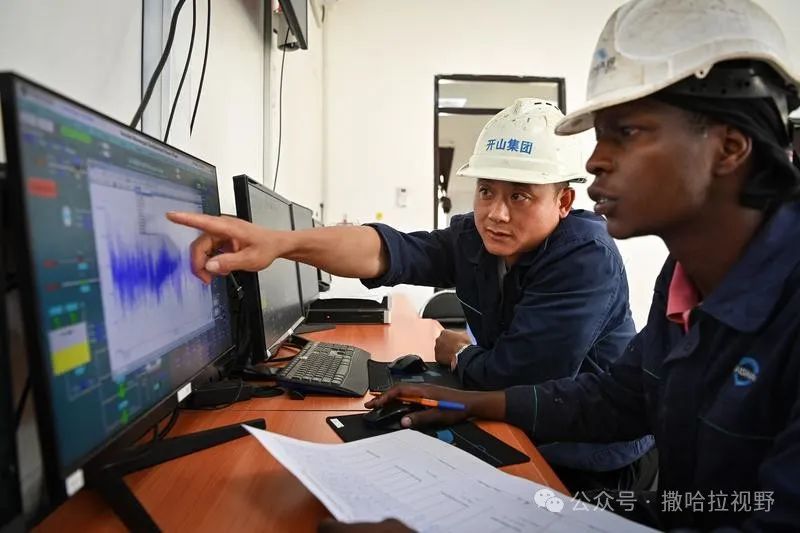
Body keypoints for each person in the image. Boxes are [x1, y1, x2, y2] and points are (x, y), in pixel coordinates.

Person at [366, 0, 800, 529]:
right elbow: (619, 399)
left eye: (628, 132)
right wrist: (469, 404)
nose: (594, 161)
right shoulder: (686, 277)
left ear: (729, 147)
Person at [167, 99, 653, 490]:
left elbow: (517, 378)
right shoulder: (475, 239)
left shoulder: (584, 255)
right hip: (515, 425)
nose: (496, 214)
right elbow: (388, 250)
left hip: (585, 458)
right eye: (486, 191)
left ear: (564, 201)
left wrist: (461, 354)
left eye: (519, 195)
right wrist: (281, 244)